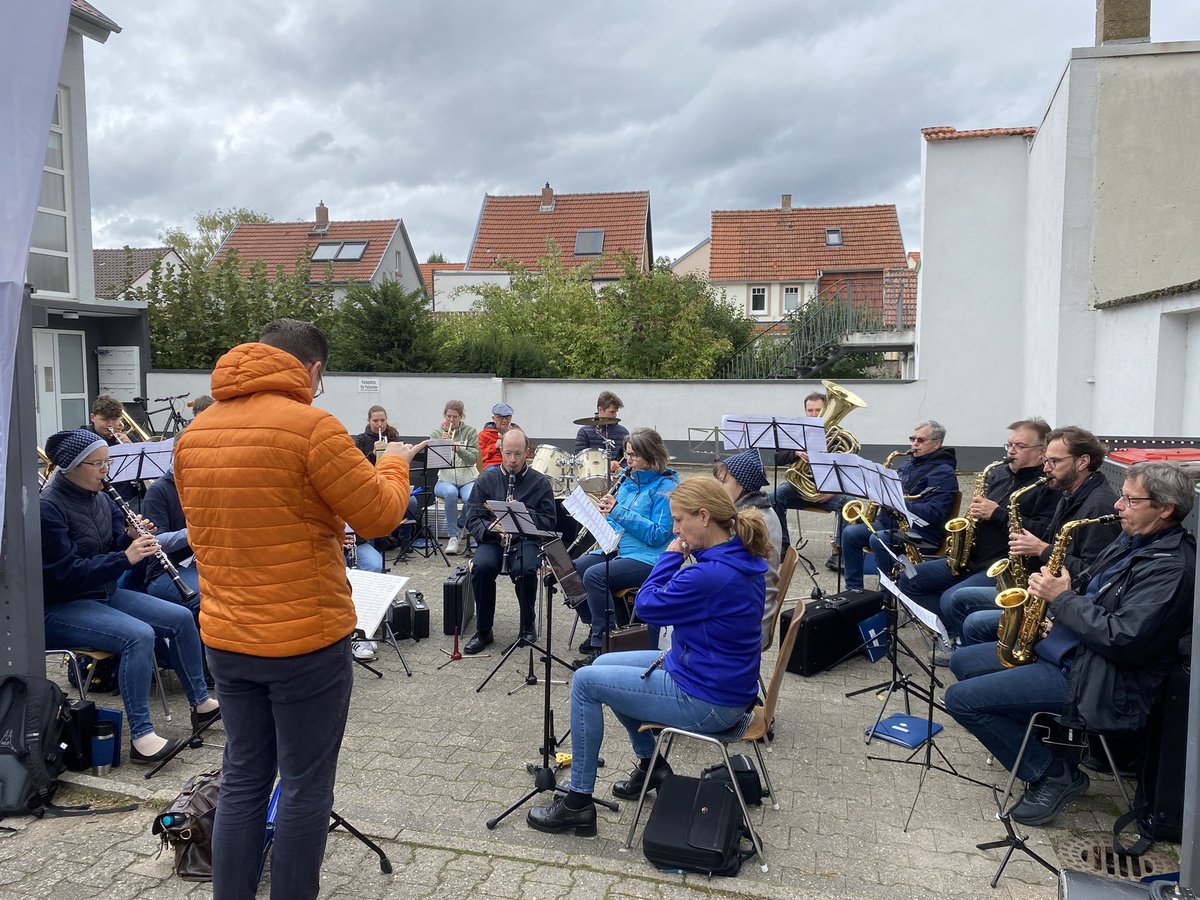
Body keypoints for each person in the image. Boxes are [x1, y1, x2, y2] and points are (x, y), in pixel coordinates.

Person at [174, 319, 421, 900]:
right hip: (304, 644)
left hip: (228, 639)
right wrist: (395, 462)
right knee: (307, 786)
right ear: (312, 370)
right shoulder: (312, 427)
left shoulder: (196, 433)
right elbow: (381, 517)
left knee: (242, 780)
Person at [945, 461, 1195, 827]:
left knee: (960, 700)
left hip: (1102, 679)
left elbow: (1123, 638)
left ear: (1165, 509)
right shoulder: (1135, 540)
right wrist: (1054, 615)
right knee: (963, 663)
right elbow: (1094, 590)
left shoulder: (1172, 568)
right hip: (1076, 654)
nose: (1117, 506)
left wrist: (1061, 599)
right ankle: (1040, 741)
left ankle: (1053, 774)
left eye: (1129, 500)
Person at [526, 476, 770, 836]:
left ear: (703, 517)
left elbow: (647, 606)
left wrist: (670, 557)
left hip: (708, 701)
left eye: (678, 520)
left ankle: (578, 802)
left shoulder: (712, 574)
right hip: (712, 680)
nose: (675, 529)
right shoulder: (735, 555)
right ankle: (650, 764)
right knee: (603, 665)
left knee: (585, 682)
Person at [40, 428, 217, 764]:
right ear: (73, 466)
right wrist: (127, 557)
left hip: (102, 593)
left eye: (107, 462)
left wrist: (130, 537)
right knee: (139, 636)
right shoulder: (47, 509)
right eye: (98, 464)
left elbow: (104, 549)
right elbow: (63, 574)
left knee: (179, 617)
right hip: (61, 605)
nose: (106, 471)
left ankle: (201, 703)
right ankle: (142, 738)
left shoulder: (101, 498)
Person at [882, 419, 1057, 650]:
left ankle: (960, 641)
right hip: (971, 556)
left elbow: (1042, 532)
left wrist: (997, 514)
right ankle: (949, 631)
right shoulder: (999, 474)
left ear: (1041, 452)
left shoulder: (1046, 487)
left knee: (951, 597)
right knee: (910, 580)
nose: (1011, 451)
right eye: (1009, 445)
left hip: (1004, 565)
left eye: (1019, 446)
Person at [950, 426, 1121, 649]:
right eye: (1046, 461)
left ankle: (998, 667)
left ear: (1082, 462)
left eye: (1054, 462)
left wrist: (1041, 549)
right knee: (960, 599)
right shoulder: (1070, 492)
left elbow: (1095, 575)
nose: (1046, 468)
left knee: (975, 622)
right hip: (1043, 588)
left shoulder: (1098, 506)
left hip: (1066, 605)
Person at [573, 428, 677, 661]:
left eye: (633, 456)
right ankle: (596, 626)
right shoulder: (629, 481)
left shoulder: (666, 487)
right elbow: (618, 520)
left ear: (651, 456)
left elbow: (658, 534)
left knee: (595, 576)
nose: (627, 461)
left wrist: (618, 511)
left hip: (649, 558)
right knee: (574, 569)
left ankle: (605, 644)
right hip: (620, 549)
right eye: (627, 454)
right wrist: (600, 517)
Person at [461, 428, 557, 654]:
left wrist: (522, 514)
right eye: (508, 454)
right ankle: (484, 630)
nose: (512, 460)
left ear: (527, 454)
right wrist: (489, 528)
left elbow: (550, 521)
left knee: (525, 569)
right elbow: (471, 516)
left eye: (518, 454)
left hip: (525, 539)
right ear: (501, 452)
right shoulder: (487, 478)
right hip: (494, 539)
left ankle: (526, 625)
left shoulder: (540, 483)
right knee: (482, 567)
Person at [841, 421, 958, 592]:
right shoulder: (908, 464)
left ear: (937, 443)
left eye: (921, 440)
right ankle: (854, 590)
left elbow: (935, 513)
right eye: (912, 439)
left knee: (878, 539)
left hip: (921, 533)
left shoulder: (943, 472)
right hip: (891, 524)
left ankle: (887, 594)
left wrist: (896, 504)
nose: (914, 444)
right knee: (850, 533)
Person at [766, 390, 845, 569]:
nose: (814, 414)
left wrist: (831, 491)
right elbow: (778, 458)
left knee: (850, 506)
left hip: (827, 492)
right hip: (799, 489)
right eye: (810, 410)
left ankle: (840, 553)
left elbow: (848, 468)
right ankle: (783, 545)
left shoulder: (837, 435)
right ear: (805, 411)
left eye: (818, 410)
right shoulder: (796, 433)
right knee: (773, 498)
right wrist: (795, 452)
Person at [715, 449, 784, 649]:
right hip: (752, 608)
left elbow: (721, 566)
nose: (719, 487)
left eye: (724, 482)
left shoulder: (751, 521)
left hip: (750, 623)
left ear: (742, 484)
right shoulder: (759, 510)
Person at [140, 460, 201, 618]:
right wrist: (197, 531)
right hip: (165, 570)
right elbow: (158, 542)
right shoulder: (158, 490)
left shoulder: (201, 486)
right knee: (206, 598)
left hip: (201, 563)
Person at [431, 400, 479, 555]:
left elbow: (473, 458)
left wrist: (458, 449)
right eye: (448, 416)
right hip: (445, 480)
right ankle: (453, 537)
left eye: (455, 417)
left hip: (468, 479)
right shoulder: (436, 433)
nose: (451, 420)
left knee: (472, 496)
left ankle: (461, 526)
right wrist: (442, 446)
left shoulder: (470, 432)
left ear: (461, 416)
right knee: (450, 494)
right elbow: (433, 461)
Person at [574, 390, 630, 473]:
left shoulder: (623, 432)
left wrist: (622, 468)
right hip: (592, 477)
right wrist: (605, 465)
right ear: (600, 409)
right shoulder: (584, 432)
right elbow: (579, 461)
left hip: (616, 478)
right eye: (612, 412)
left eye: (616, 412)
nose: (615, 415)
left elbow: (627, 457)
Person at [478, 402, 519, 472]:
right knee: (494, 474)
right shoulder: (484, 434)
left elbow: (526, 454)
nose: (505, 421)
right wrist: (494, 446)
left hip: (513, 464)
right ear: (493, 418)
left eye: (508, 417)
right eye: (500, 417)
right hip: (493, 465)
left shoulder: (517, 433)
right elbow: (479, 457)